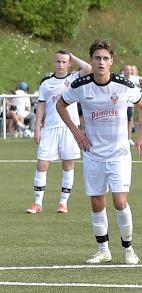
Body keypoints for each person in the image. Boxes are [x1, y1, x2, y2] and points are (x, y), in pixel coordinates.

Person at [56, 39, 142, 265]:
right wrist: (76, 131)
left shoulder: (123, 85)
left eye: (105, 58)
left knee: (119, 201)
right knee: (97, 203)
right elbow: (60, 104)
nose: (101, 62)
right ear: (91, 60)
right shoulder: (81, 86)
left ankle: (128, 250)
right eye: (97, 58)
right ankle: (103, 250)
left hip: (119, 154)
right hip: (93, 153)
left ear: (111, 61)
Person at [25, 49, 92, 215]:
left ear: (69, 63)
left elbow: (88, 67)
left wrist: (72, 55)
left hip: (70, 128)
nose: (61, 64)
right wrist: (37, 127)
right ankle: (37, 203)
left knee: (68, 165)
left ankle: (63, 203)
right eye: (58, 61)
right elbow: (41, 106)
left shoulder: (74, 78)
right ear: (54, 62)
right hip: (50, 128)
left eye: (64, 61)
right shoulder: (46, 83)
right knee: (42, 164)